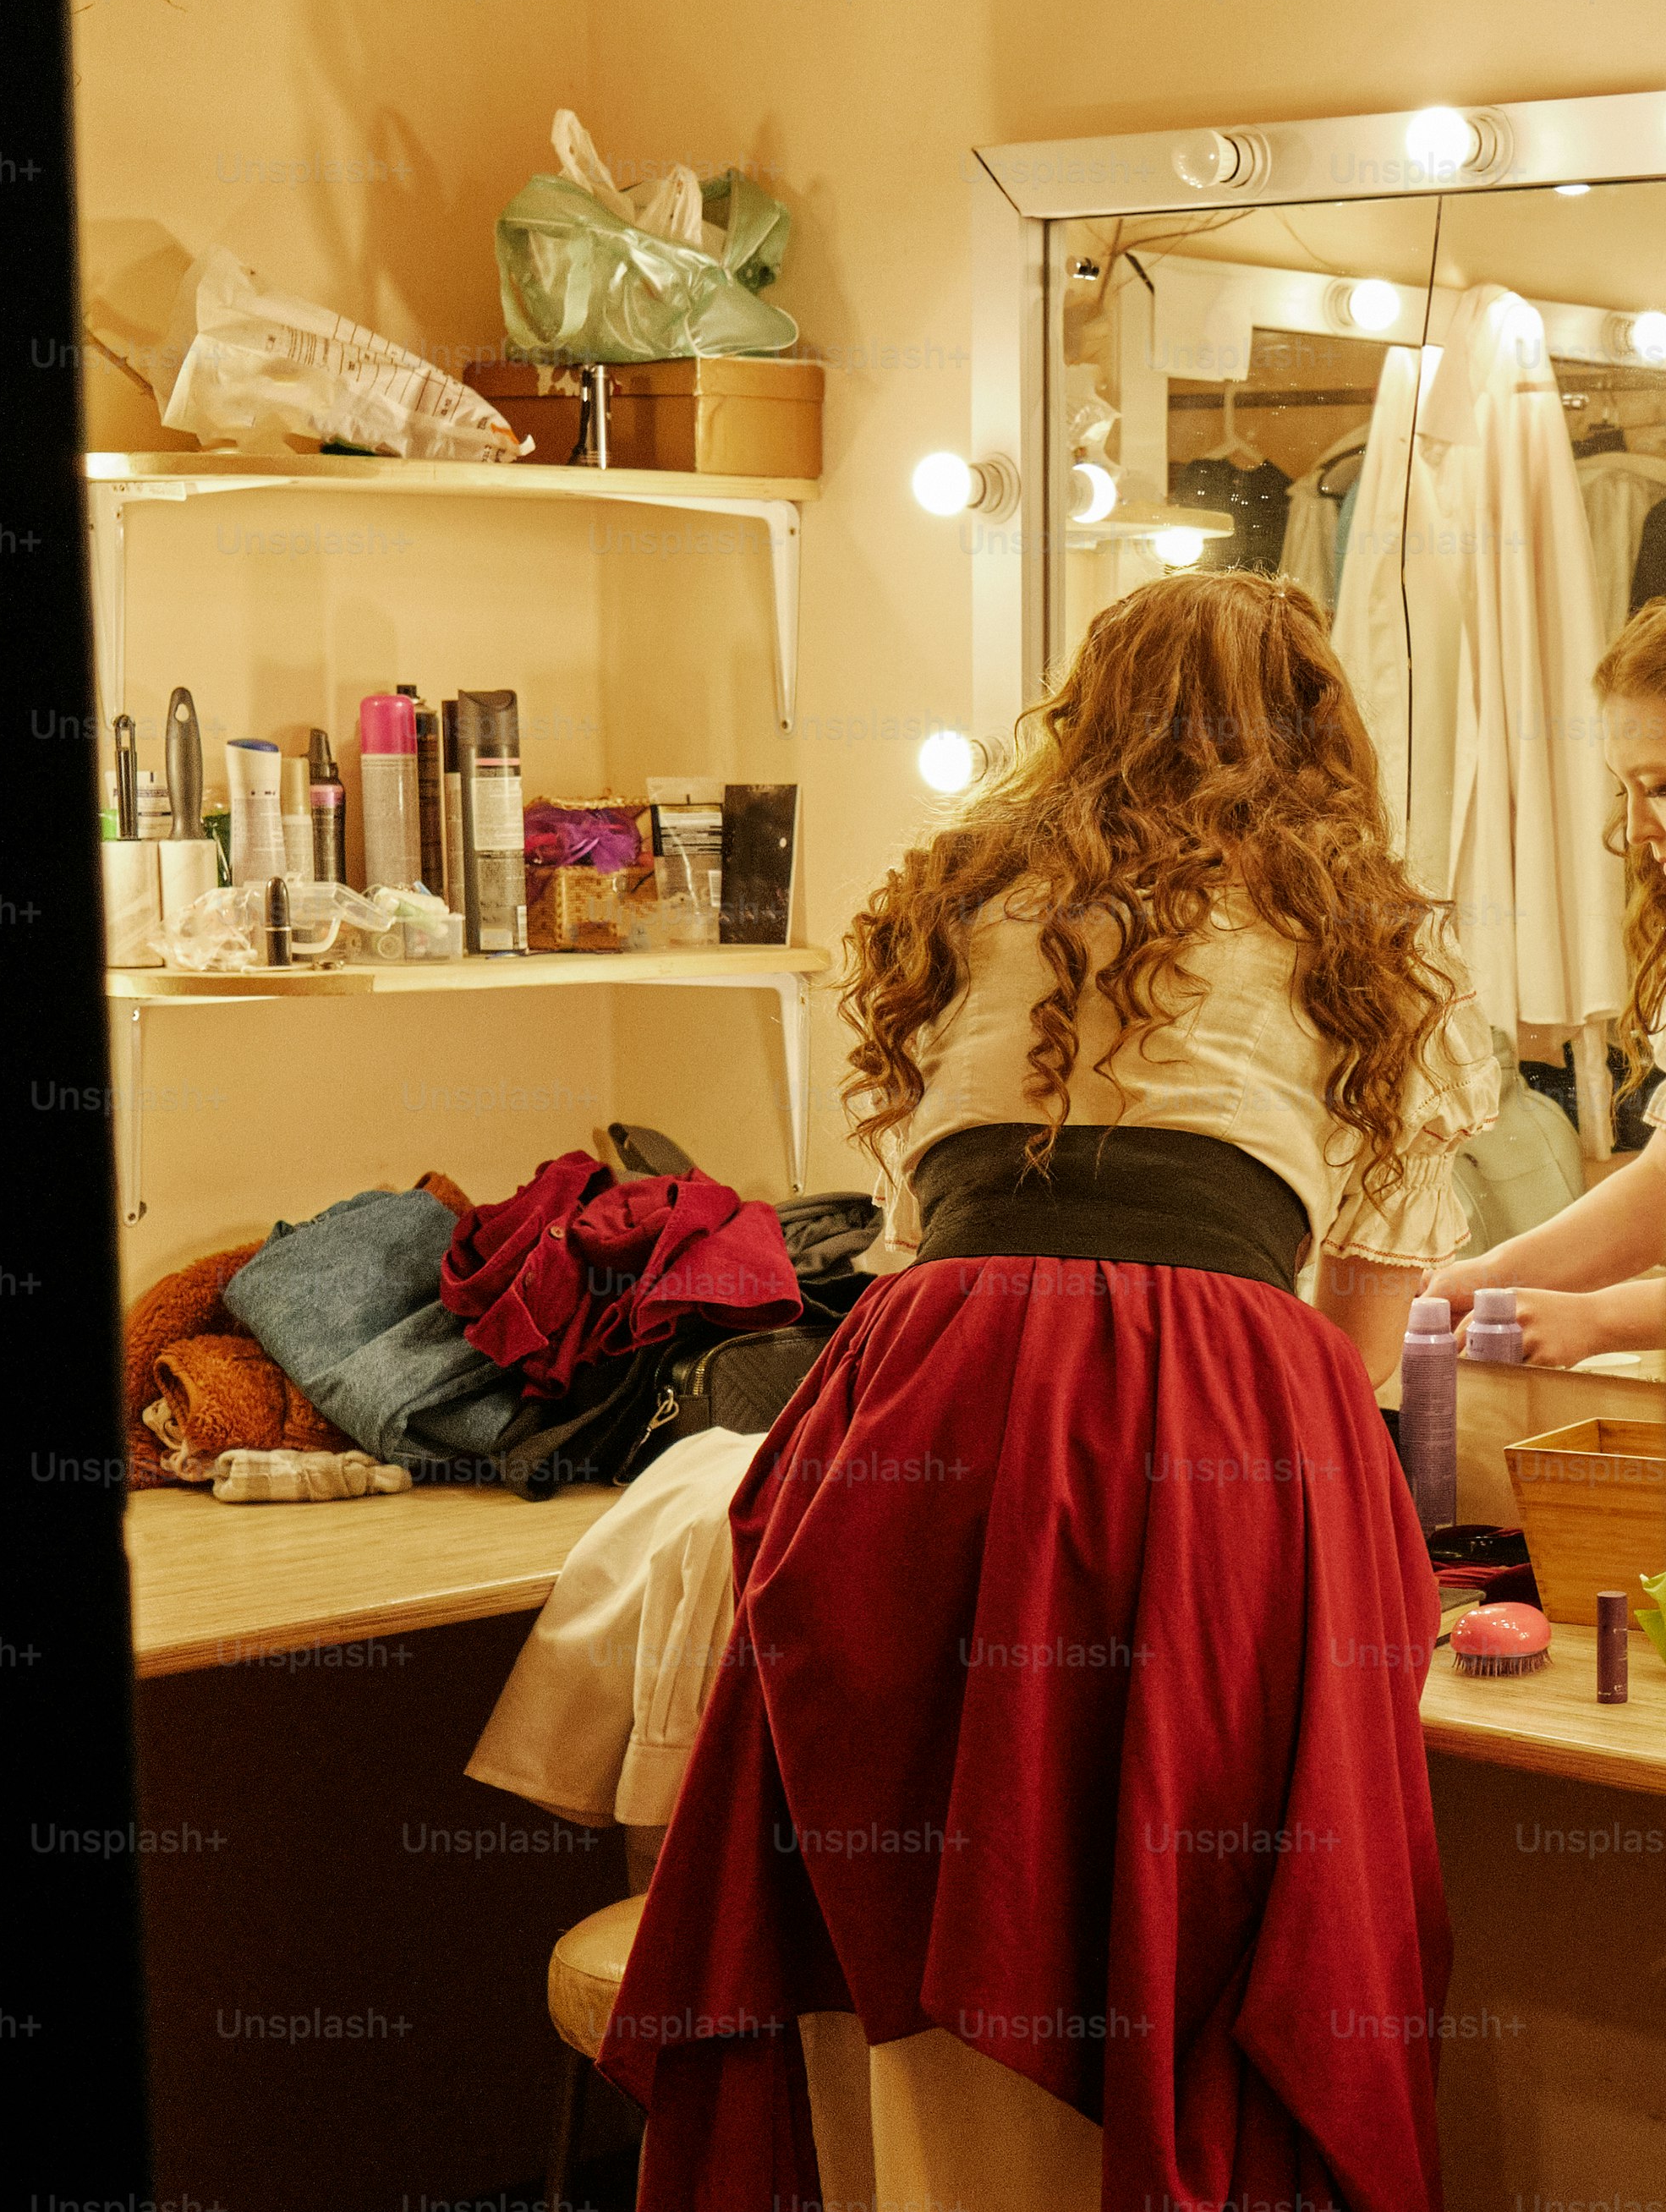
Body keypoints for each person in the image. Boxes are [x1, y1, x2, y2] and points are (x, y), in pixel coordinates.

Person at [601, 570, 1498, 2212]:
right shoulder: (1356, 935)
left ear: (1079, 717)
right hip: (1222, 1415)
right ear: (1319, 741)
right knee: (1182, 1892)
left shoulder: (963, 892)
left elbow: (925, 1219)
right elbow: (1367, 1341)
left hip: (925, 1386)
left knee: (908, 1864)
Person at [1421, 588, 1666, 1362]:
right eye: (1624, 790)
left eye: (1660, 786)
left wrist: (1603, 1320)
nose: (1634, 830)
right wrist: (1484, 1277)